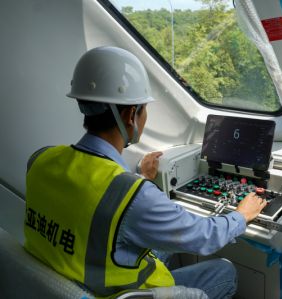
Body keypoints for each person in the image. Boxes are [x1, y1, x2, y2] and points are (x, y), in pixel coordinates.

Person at [24, 46, 267, 298]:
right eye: (144, 108)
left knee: (166, 246)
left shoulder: (41, 159)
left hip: (70, 282)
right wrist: (241, 215)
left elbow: (89, 209)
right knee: (223, 272)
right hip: (116, 292)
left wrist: (140, 179)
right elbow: (203, 237)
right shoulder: (132, 195)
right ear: (131, 115)